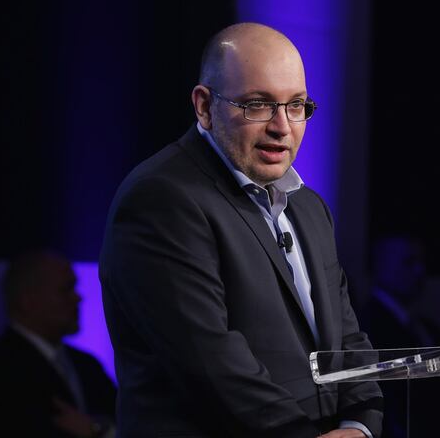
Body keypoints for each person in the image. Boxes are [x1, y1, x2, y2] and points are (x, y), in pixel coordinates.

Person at [99, 23, 382, 438]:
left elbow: (347, 338)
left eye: (297, 105)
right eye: (258, 104)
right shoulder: (162, 199)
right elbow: (211, 365)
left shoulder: (309, 207)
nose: (282, 126)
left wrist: (360, 425)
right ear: (204, 106)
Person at [0, 250, 116, 438]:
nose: (78, 298)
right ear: (28, 301)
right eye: (66, 289)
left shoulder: (87, 364)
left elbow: (128, 420)